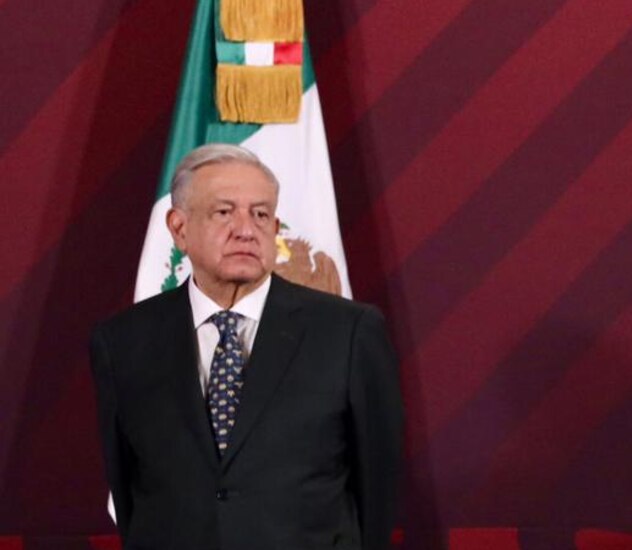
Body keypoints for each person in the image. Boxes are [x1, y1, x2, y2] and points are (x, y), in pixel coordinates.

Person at [89, 144, 403, 549]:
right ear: (179, 228)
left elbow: (375, 487)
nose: (245, 229)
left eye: (260, 214)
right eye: (224, 212)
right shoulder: (122, 342)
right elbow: (128, 487)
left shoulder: (348, 332)